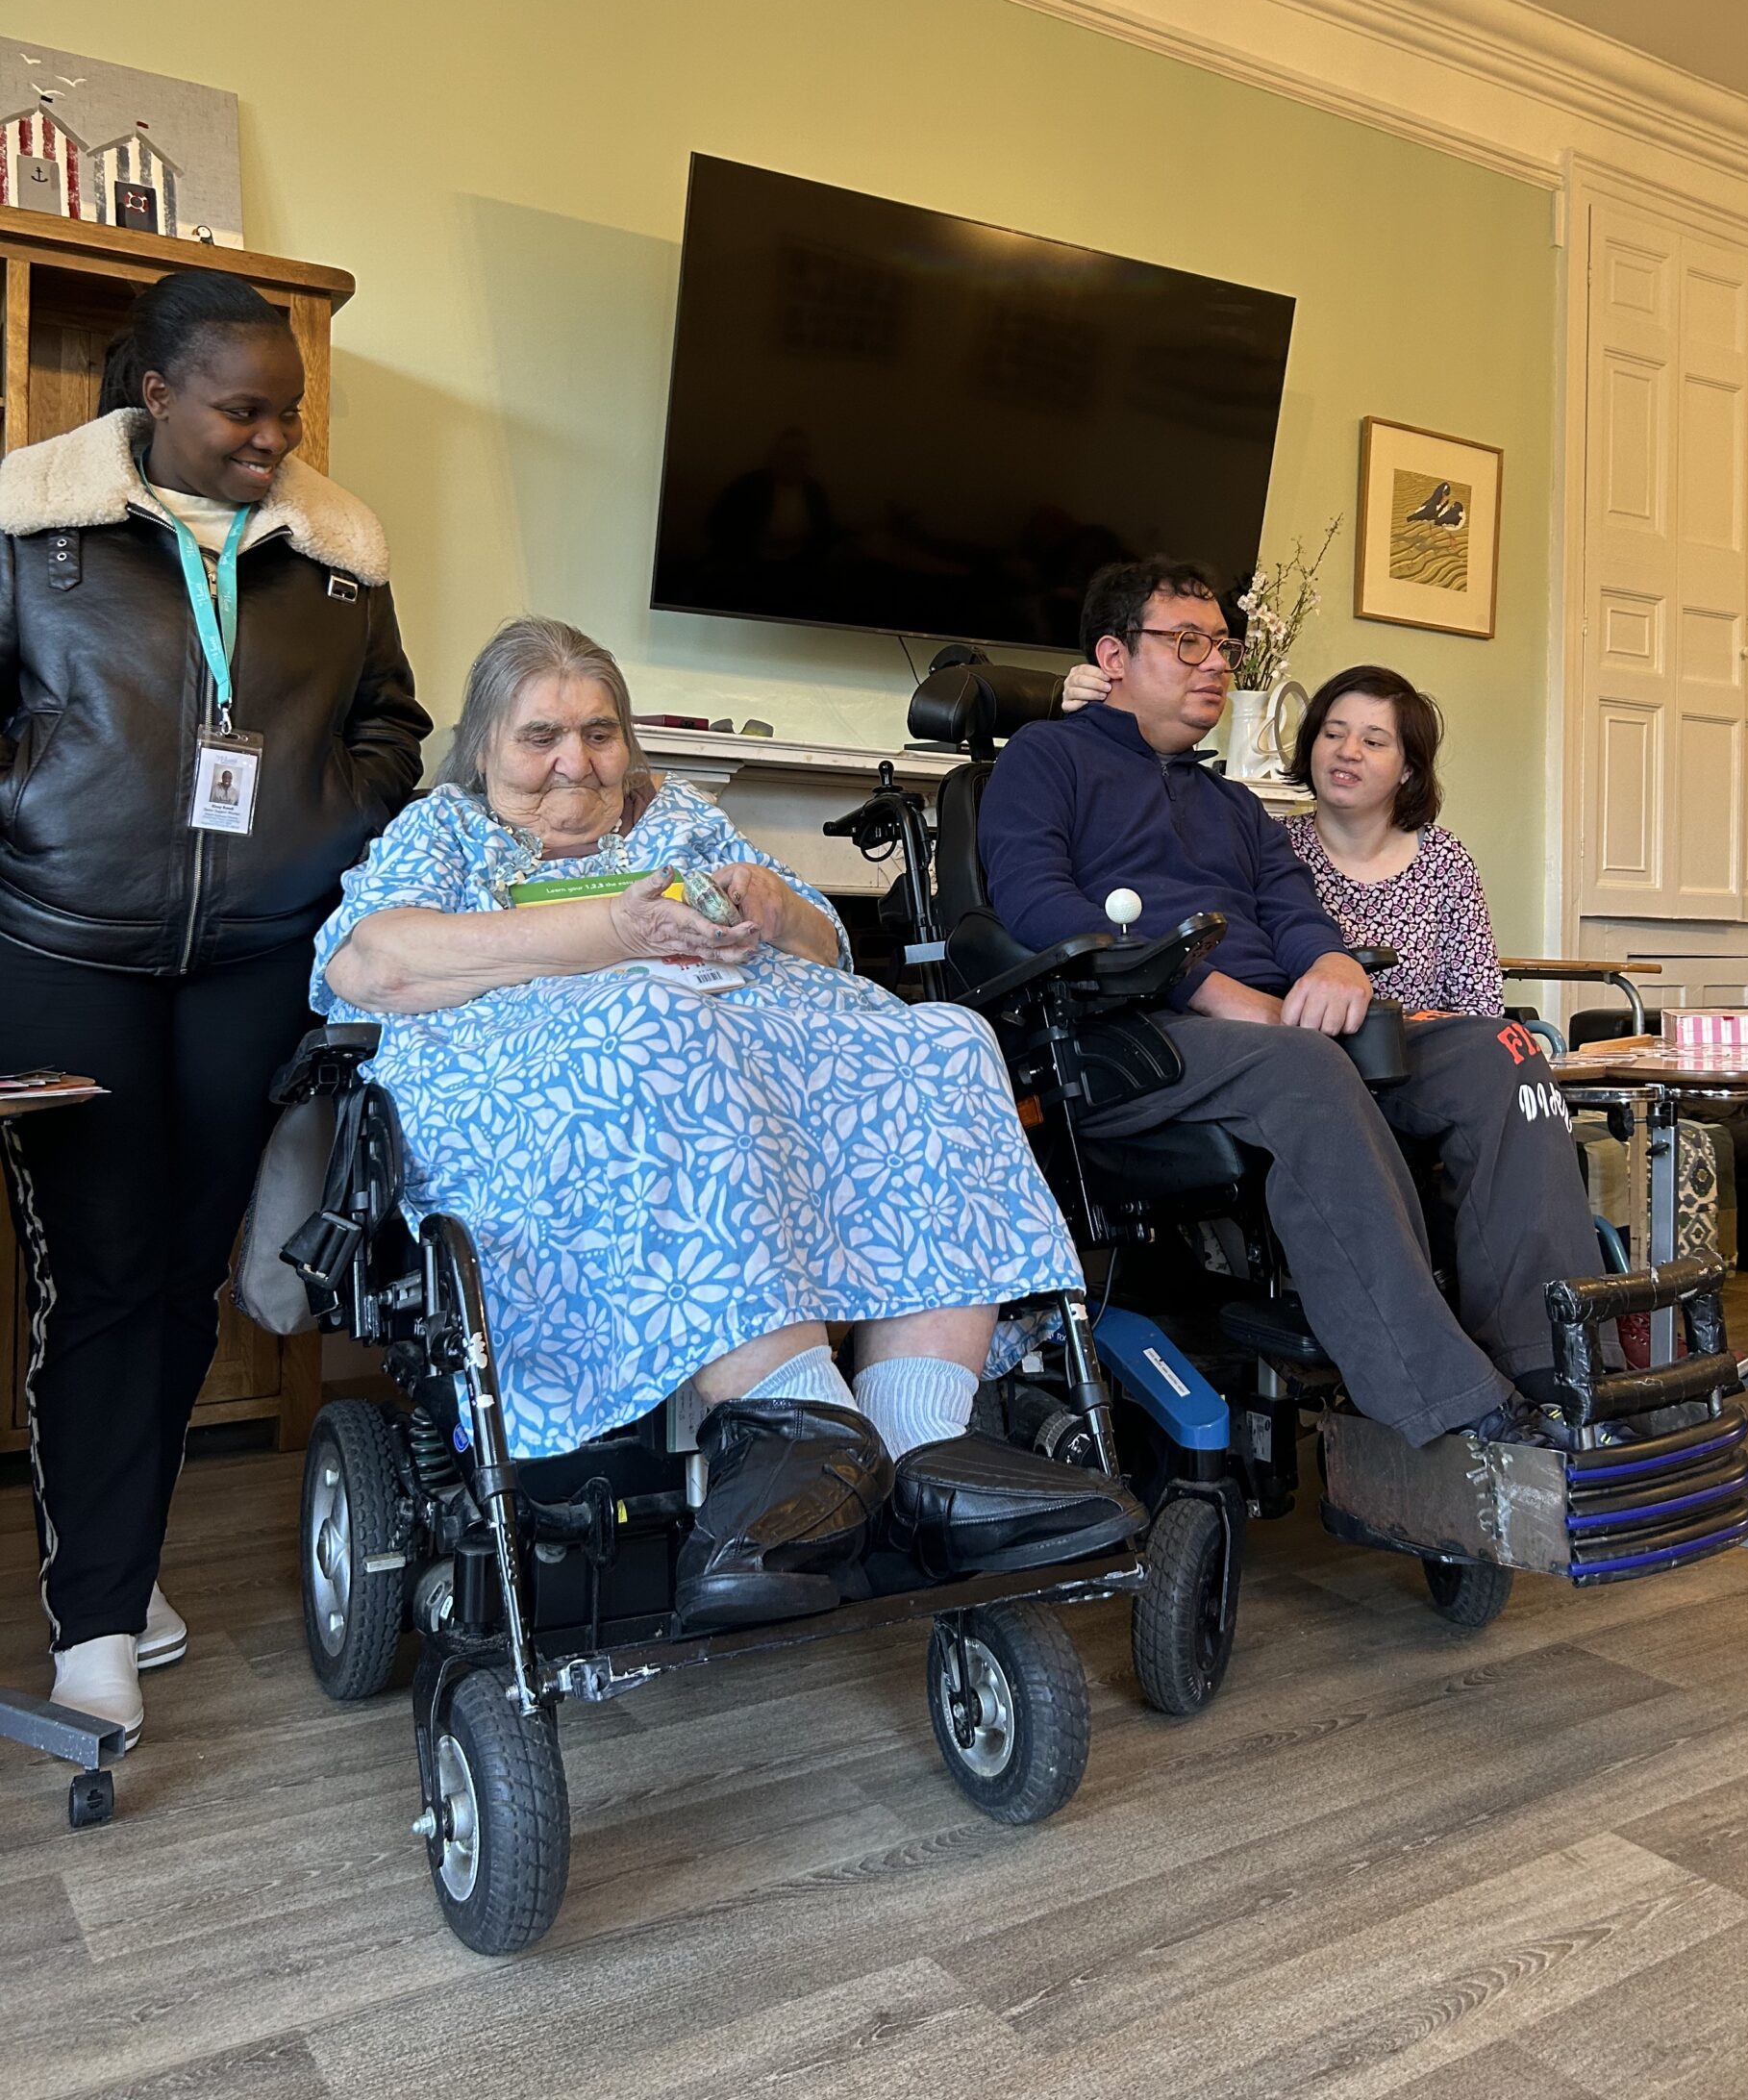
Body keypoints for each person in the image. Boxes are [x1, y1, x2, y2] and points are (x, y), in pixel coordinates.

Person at [313, 614, 1138, 1628]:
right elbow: (366, 966)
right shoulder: (445, 834)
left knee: (949, 1041)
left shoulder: (678, 820)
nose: (576, 759)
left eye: (601, 731)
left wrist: (767, 901)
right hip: (547, 1092)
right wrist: (609, 932)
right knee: (664, 1016)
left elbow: (826, 944)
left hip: (751, 1065)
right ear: (484, 747)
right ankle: (808, 1426)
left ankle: (919, 1445)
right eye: (540, 736)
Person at [0, 268, 429, 1749]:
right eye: (242, 412)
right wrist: (36, 804)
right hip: (65, 948)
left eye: (287, 413)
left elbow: (393, 726)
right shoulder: (32, 526)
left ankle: (113, 1556)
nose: (271, 442)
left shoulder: (336, 552)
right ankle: (100, 1622)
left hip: (255, 956)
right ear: (156, 395)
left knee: (185, 1271)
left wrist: (319, 820)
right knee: (103, 1270)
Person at [984, 556, 1603, 1451]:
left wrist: (1334, 966)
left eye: (1222, 645)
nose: (1214, 664)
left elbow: (1294, 911)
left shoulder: (1233, 803)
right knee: (1305, 1065)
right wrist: (1208, 988)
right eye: (1185, 641)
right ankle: (1456, 1405)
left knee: (1498, 1051)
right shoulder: (1046, 759)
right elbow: (1037, 904)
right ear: (1114, 657)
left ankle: (1553, 1368)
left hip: (1275, 1033)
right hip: (1130, 1038)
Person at [1283, 665, 1503, 1016]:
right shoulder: (1272, 846)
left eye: (1373, 742)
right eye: (1333, 734)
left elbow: (1481, 1006)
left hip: (1424, 1061)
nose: (1348, 752)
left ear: (1408, 769)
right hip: (1300, 1058)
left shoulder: (1444, 860)